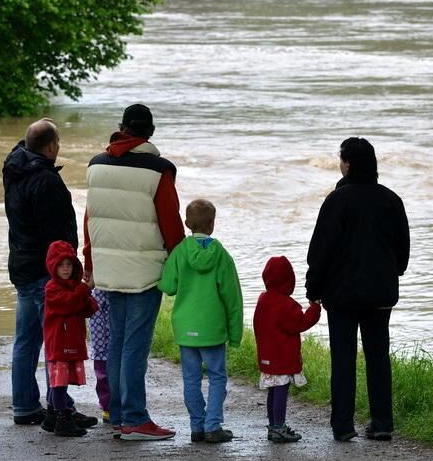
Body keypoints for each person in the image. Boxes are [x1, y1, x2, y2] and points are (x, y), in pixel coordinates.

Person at [83, 104, 185, 441]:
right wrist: (179, 261)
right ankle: (136, 419)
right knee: (134, 346)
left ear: (122, 129)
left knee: (116, 342)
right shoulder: (158, 169)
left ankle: (118, 415)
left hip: (109, 267)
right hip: (144, 270)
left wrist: (90, 263)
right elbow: (171, 223)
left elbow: (89, 220)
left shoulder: (96, 165)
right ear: (150, 132)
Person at [306, 137, 410, 442]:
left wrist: (314, 287)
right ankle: (382, 423)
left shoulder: (336, 201)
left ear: (348, 164)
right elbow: (403, 249)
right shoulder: (391, 200)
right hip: (380, 293)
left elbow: (320, 251)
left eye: (341, 159)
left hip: (342, 295)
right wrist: (393, 273)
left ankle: (343, 425)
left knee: (343, 359)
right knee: (378, 357)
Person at [3, 119, 83, 426]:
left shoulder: (14, 168)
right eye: (58, 143)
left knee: (25, 340)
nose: (59, 147)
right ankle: (58, 407)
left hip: (22, 264)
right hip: (44, 271)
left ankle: (24, 406)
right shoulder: (45, 180)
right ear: (50, 146)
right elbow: (56, 235)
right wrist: (67, 271)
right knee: (55, 342)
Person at [158, 199, 243, 444]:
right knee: (217, 376)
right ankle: (212, 425)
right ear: (212, 225)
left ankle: (196, 426)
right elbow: (233, 298)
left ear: (186, 223)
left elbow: (168, 286)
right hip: (212, 328)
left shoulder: (180, 251)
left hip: (186, 328)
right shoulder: (222, 255)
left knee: (191, 379)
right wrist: (235, 334)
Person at [253, 256, 321, 443]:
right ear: (289, 280)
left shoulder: (263, 300)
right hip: (281, 357)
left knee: (272, 391)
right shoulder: (285, 304)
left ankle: (273, 426)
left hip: (267, 357)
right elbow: (301, 322)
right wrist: (315, 308)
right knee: (281, 391)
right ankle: (279, 427)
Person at [42, 240, 99, 437]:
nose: (65, 269)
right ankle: (63, 419)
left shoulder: (74, 288)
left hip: (71, 340)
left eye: (69, 265)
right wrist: (85, 289)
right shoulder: (52, 289)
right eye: (61, 265)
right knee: (59, 383)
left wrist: (86, 296)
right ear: (53, 266)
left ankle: (52, 414)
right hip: (59, 344)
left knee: (60, 381)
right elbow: (68, 304)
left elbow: (85, 308)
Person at [88, 288, 111, 422]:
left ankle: (114, 405)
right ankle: (107, 407)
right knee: (103, 376)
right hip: (102, 345)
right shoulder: (98, 291)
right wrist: (100, 347)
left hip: (113, 342)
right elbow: (95, 316)